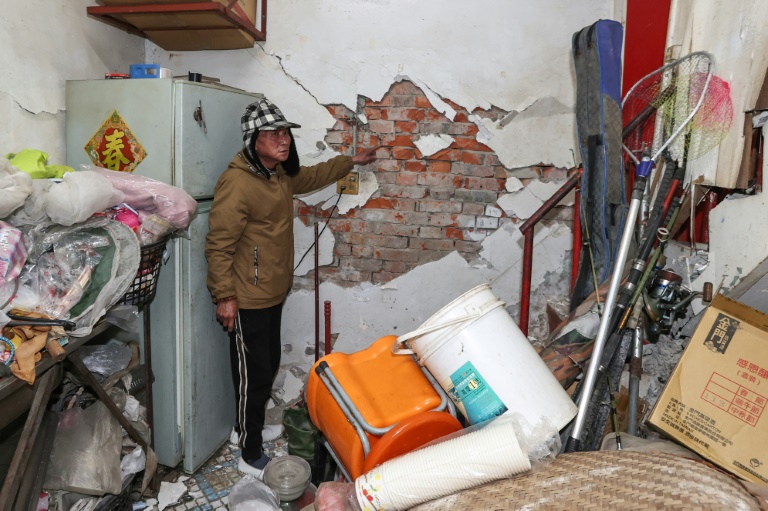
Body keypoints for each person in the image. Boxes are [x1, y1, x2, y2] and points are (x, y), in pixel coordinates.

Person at [205, 98, 379, 477]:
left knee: (265, 368)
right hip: (246, 297)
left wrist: (352, 161)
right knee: (252, 374)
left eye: (285, 133)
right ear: (254, 140)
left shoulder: (278, 174)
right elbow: (218, 244)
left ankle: (245, 430)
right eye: (273, 134)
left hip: (271, 290)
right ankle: (249, 453)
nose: (283, 140)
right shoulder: (237, 183)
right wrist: (225, 297)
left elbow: (312, 177)